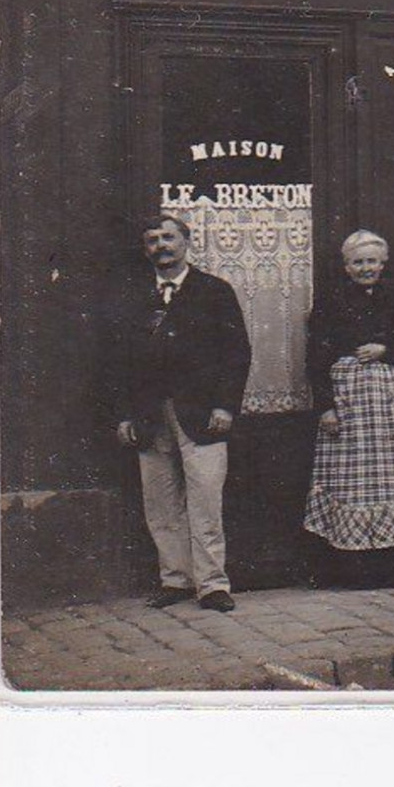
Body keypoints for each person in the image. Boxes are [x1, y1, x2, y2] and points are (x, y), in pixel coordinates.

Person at [114, 213, 251, 612]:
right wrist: (125, 415)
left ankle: (212, 585)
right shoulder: (134, 299)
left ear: (186, 243)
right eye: (153, 239)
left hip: (202, 414)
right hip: (150, 416)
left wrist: (225, 405)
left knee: (206, 499)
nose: (162, 245)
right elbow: (118, 362)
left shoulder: (214, 291)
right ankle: (175, 581)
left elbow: (236, 353)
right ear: (146, 250)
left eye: (169, 237)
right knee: (160, 502)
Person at [303, 230, 394, 588]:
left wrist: (385, 349)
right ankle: (355, 570)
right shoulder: (330, 301)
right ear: (346, 266)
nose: (366, 268)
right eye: (358, 262)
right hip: (349, 403)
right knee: (353, 482)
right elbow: (316, 356)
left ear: (383, 263)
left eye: (372, 261)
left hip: (390, 405)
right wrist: (325, 408)